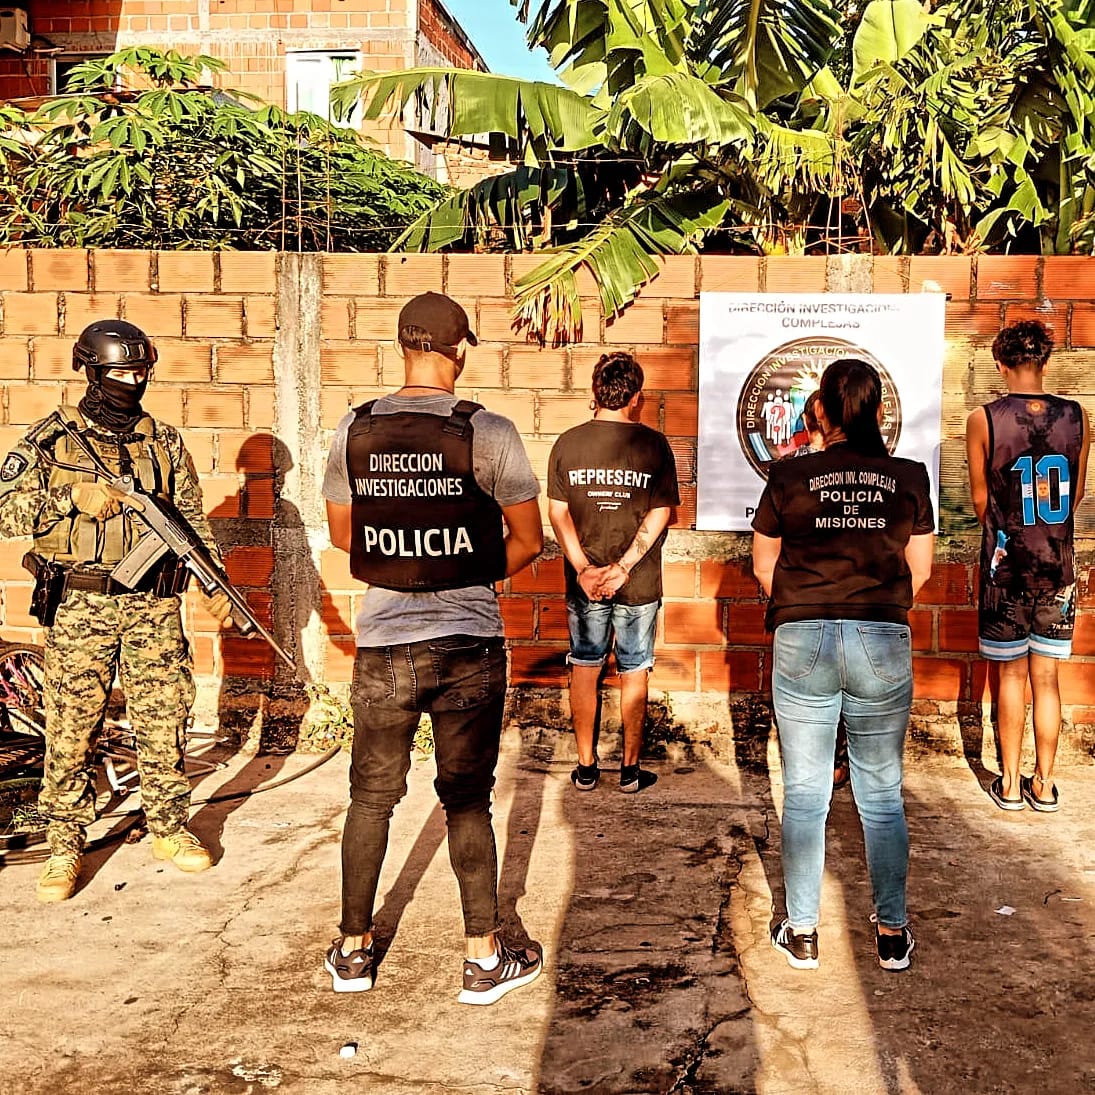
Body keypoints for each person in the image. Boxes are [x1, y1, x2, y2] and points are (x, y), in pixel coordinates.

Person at [321, 291, 544, 1004]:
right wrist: (468, 570)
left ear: (402, 346)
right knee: (467, 800)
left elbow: (342, 534)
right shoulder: (489, 431)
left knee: (370, 798)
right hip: (468, 640)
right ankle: (482, 957)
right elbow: (528, 538)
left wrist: (405, 560)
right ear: (459, 350)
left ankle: (353, 952)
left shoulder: (354, 427)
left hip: (384, 640)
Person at [0, 320, 234, 903]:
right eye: (120, 373)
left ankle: (169, 825)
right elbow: (5, 513)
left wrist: (214, 582)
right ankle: (64, 844)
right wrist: (69, 498)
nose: (132, 382)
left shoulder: (163, 442)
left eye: (140, 372)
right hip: (81, 603)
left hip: (153, 603)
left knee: (165, 714)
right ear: (92, 371)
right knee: (72, 723)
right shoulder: (51, 441)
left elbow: (189, 519)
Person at [752, 358, 934, 972]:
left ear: (821, 412)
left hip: (802, 634)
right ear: (877, 411)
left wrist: (805, 608)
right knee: (881, 793)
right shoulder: (908, 476)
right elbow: (921, 570)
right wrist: (875, 607)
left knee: (805, 793)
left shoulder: (788, 475)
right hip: (881, 635)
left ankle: (802, 930)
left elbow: (763, 567)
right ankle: (891, 932)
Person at [966, 319, 1089, 813]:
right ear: (1045, 362)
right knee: (1048, 678)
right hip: (1057, 566)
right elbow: (1075, 494)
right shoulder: (1076, 416)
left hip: (1006, 567)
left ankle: (1011, 784)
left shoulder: (984, 419)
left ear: (1001, 363)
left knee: (1011, 678)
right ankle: (1044, 783)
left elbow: (980, 502)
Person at [547, 351, 679, 793]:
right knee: (635, 668)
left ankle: (586, 768)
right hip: (636, 582)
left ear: (595, 391)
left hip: (585, 584)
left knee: (584, 666)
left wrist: (584, 569)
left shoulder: (567, 443)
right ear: (636, 397)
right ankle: (629, 771)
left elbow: (558, 513)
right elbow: (661, 512)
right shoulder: (655, 446)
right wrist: (622, 568)